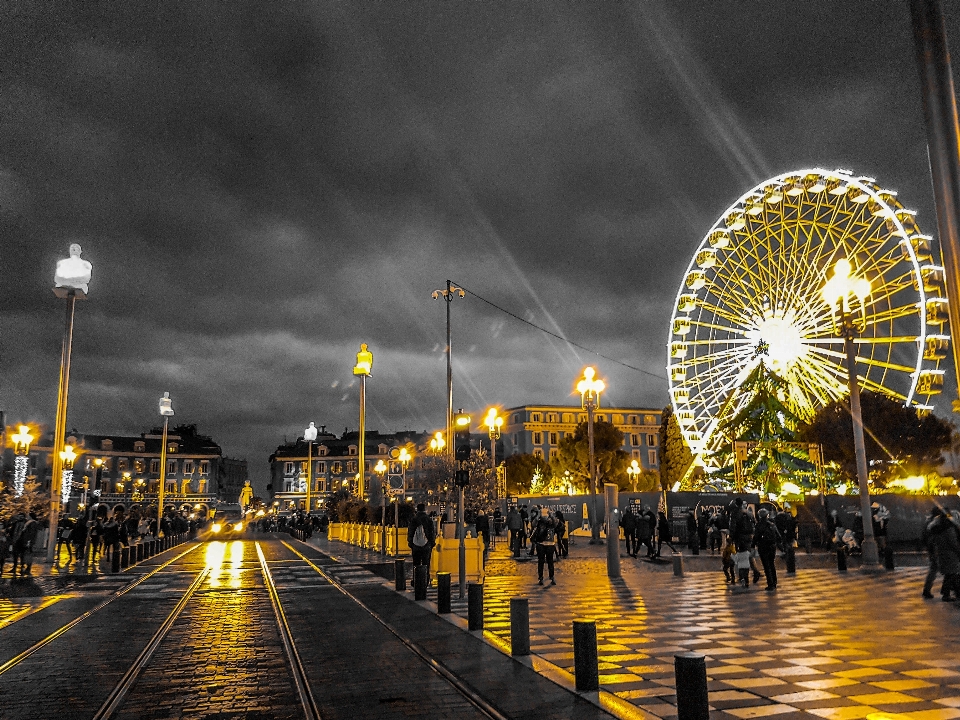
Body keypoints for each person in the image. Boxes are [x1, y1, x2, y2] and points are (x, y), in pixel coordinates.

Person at [928, 508, 960, 601]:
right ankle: (946, 594)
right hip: (951, 554)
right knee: (951, 574)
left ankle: (947, 592)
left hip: (942, 553)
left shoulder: (937, 528)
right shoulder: (948, 528)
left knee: (949, 574)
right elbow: (953, 543)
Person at [752, 508, 782, 591]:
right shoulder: (772, 525)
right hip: (772, 547)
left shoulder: (759, 525)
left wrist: (753, 546)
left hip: (763, 547)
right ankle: (775, 581)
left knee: (766, 565)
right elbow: (779, 536)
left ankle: (770, 584)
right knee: (772, 564)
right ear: (767, 515)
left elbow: (756, 537)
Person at [408, 503, 436, 585]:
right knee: (426, 563)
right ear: (424, 509)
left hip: (415, 545)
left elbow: (410, 532)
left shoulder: (414, 519)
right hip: (426, 545)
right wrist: (432, 543)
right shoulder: (428, 519)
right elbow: (432, 532)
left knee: (416, 563)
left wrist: (410, 543)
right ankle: (425, 581)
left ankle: (416, 580)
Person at [531, 507, 558, 585]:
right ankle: (542, 578)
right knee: (543, 561)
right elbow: (533, 524)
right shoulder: (539, 522)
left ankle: (550, 577)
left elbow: (556, 523)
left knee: (547, 562)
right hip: (542, 544)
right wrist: (538, 516)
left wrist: (552, 516)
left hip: (548, 544)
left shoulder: (551, 523)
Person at [922, 506, 942, 599]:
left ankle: (927, 589)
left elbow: (924, 536)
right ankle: (927, 590)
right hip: (935, 548)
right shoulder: (935, 523)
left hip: (931, 548)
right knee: (936, 569)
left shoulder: (928, 522)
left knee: (934, 569)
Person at [11, 512, 39, 577]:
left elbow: (31, 533)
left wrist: (29, 541)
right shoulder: (27, 523)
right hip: (20, 541)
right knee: (18, 554)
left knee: (26, 555)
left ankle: (26, 568)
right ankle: (23, 568)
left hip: (25, 542)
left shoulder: (31, 523)